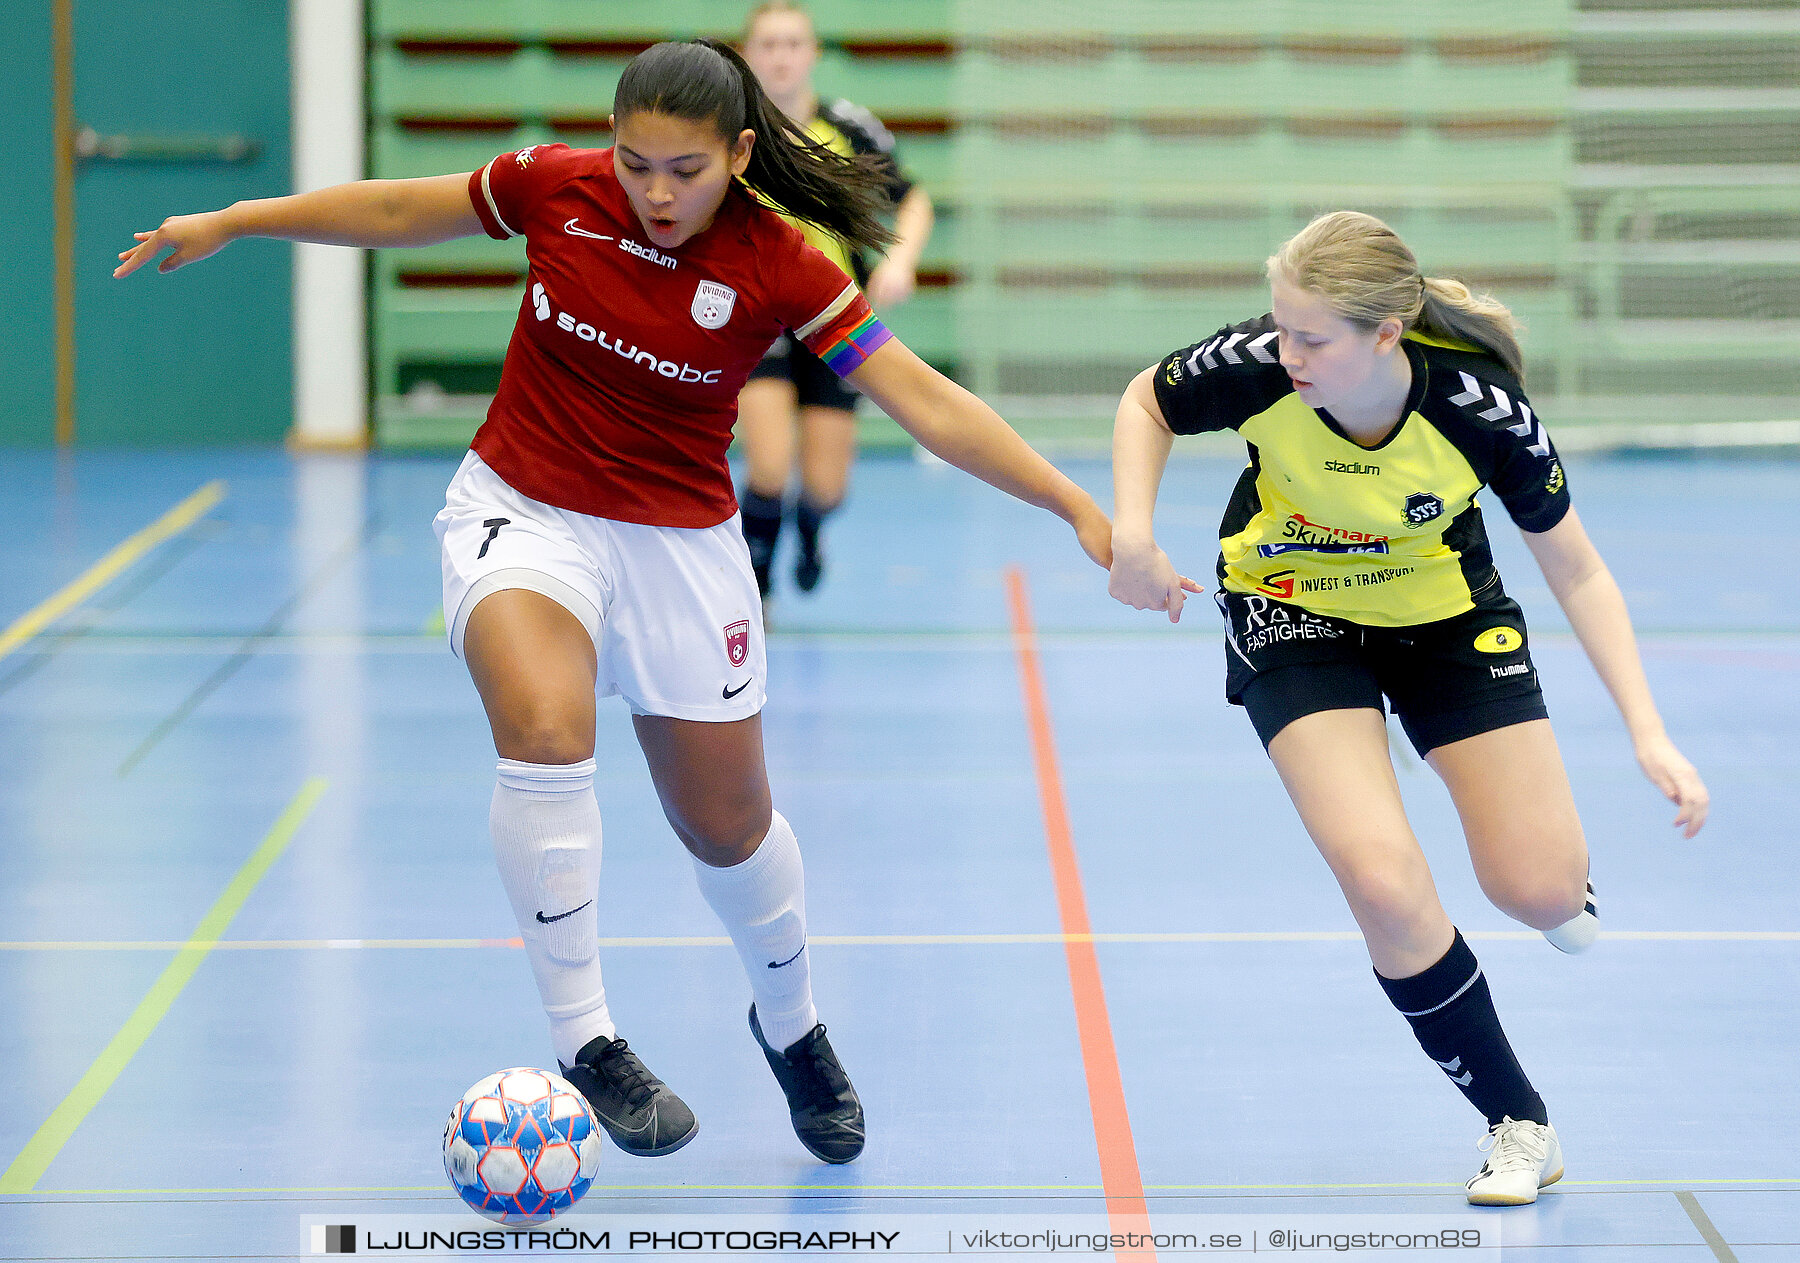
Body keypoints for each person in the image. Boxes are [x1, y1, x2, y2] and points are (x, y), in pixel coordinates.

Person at [118, 37, 1109, 1167]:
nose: (654, 191)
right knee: (543, 733)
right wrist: (242, 219)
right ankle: (589, 1040)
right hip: (522, 509)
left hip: (680, 549)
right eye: (635, 162)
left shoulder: (782, 263)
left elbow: (922, 399)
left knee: (727, 830)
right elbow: (399, 207)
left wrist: (1073, 505)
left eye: (683, 169)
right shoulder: (557, 188)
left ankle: (792, 1025)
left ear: (738, 155)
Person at [1106, 211, 1708, 1205]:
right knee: (1382, 883)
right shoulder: (1260, 364)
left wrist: (1648, 731)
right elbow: (1147, 401)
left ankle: (1558, 883)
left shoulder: (1478, 409)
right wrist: (1134, 534)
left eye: (1313, 338)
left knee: (1539, 891)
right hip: (1293, 611)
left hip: (1445, 618)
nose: (1286, 352)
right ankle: (1519, 1121)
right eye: (1281, 326)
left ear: (1388, 332)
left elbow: (1582, 573)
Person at [734, 0, 936, 602]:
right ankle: (756, 587)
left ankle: (810, 527)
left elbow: (913, 198)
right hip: (757, 317)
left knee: (826, 488)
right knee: (768, 469)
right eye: (767, 44)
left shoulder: (849, 126)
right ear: (747, 54)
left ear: (813, 54)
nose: (781, 56)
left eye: (793, 43)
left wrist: (899, 261)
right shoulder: (727, 130)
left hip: (833, 314)